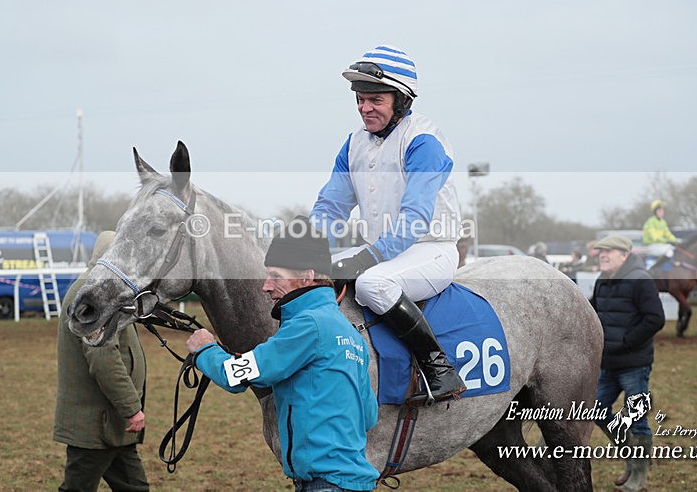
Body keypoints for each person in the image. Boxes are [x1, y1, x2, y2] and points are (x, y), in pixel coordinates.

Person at [310, 44, 465, 401]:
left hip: (431, 250)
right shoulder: (353, 144)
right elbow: (331, 205)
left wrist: (368, 258)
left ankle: (438, 368)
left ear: (402, 100)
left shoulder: (424, 141)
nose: (365, 108)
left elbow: (415, 218)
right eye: (360, 99)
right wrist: (303, 249)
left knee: (371, 284)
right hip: (383, 251)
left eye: (375, 100)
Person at [186, 216, 379, 492]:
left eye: (275, 275)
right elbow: (368, 416)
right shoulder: (350, 334)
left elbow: (233, 376)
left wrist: (205, 348)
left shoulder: (307, 326)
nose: (265, 286)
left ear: (306, 276)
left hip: (324, 485)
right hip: (352, 482)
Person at [54, 231, 148, 492]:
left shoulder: (105, 291)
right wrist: (131, 408)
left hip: (109, 425)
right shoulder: (91, 296)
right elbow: (104, 359)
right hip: (95, 426)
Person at [590, 235, 665, 492]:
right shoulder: (602, 281)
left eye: (608, 251)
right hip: (607, 363)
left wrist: (626, 341)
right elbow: (593, 312)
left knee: (637, 420)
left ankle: (639, 477)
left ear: (624, 255)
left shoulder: (641, 280)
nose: (602, 254)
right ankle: (632, 459)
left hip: (634, 363)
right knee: (597, 411)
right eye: (601, 251)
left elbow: (655, 318)